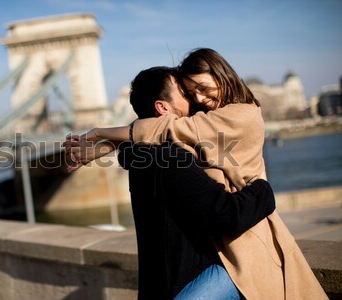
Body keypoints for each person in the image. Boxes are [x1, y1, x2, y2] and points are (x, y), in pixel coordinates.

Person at [65, 49, 327, 299]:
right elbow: (168, 133)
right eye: (188, 92)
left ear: (221, 74)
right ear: (162, 108)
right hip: (231, 250)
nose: (197, 99)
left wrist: (102, 142)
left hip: (238, 252)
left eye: (201, 89)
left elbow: (169, 131)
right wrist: (265, 192)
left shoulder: (238, 116)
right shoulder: (170, 155)